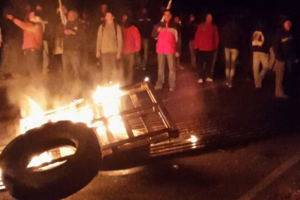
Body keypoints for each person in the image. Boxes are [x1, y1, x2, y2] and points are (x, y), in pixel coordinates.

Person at [6, 11, 43, 79]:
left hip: (34, 51)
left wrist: (13, 19)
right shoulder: (29, 26)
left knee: (34, 69)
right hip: (29, 50)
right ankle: (36, 86)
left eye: (34, 17)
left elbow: (24, 25)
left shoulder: (37, 26)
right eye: (32, 17)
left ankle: (39, 86)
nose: (34, 18)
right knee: (31, 69)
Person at [152, 9, 181, 92]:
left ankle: (172, 85)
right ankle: (159, 83)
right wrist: (157, 30)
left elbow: (178, 39)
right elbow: (153, 35)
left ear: (170, 16)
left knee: (171, 68)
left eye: (168, 15)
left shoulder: (174, 26)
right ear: (163, 16)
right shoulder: (158, 25)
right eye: (165, 15)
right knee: (160, 68)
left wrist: (177, 50)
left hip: (170, 49)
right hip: (160, 49)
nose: (167, 16)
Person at [273, 19, 298, 98]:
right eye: (287, 24)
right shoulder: (279, 33)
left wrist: (294, 57)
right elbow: (276, 47)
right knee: (279, 76)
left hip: (288, 59)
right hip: (281, 59)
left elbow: (292, 47)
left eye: (289, 24)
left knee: (286, 75)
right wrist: (280, 57)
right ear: (283, 24)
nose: (288, 26)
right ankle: (278, 92)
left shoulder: (291, 34)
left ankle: (285, 90)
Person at [96, 11, 122, 85]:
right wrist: (97, 50)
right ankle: (106, 84)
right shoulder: (102, 27)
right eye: (106, 16)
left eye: (109, 15)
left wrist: (119, 52)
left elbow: (120, 40)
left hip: (113, 51)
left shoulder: (116, 27)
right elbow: (99, 38)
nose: (107, 17)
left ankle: (114, 84)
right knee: (105, 69)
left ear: (112, 17)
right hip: (104, 52)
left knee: (114, 69)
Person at [194, 13, 219, 83]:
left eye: (210, 17)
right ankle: (200, 77)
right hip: (201, 48)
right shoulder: (201, 26)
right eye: (208, 17)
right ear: (206, 18)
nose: (209, 19)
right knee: (200, 64)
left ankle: (208, 76)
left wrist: (215, 46)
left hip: (210, 48)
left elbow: (216, 37)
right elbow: (197, 35)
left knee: (209, 64)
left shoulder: (214, 27)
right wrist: (196, 45)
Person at [62, 10, 83, 85]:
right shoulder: (65, 24)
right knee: (65, 70)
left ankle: (78, 85)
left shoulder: (78, 24)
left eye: (71, 15)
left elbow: (80, 35)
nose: (69, 17)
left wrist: (71, 32)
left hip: (74, 50)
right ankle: (66, 85)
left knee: (76, 69)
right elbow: (61, 33)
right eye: (68, 15)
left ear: (75, 16)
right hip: (66, 50)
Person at [221, 15, 242, 88]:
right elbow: (241, 37)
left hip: (227, 47)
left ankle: (227, 80)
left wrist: (224, 44)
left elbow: (222, 35)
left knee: (227, 64)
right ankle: (230, 81)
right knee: (233, 66)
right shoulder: (238, 27)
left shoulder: (226, 26)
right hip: (235, 48)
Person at [121, 13, 141, 85]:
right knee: (123, 68)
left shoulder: (133, 28)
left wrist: (136, 49)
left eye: (125, 17)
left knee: (130, 69)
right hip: (122, 51)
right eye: (123, 17)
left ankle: (129, 83)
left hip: (130, 52)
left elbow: (137, 40)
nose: (124, 19)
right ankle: (122, 82)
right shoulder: (121, 28)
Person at [251, 20, 272, 89]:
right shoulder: (266, 32)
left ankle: (257, 83)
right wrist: (267, 49)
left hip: (255, 51)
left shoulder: (254, 31)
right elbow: (268, 41)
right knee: (266, 66)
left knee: (255, 68)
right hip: (263, 51)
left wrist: (252, 49)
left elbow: (251, 41)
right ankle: (259, 79)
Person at [35, 4, 50, 75]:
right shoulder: (35, 18)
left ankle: (45, 69)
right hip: (38, 38)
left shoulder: (44, 18)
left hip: (44, 38)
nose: (39, 9)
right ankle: (37, 69)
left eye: (40, 8)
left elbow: (46, 28)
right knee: (38, 53)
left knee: (45, 53)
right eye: (37, 8)